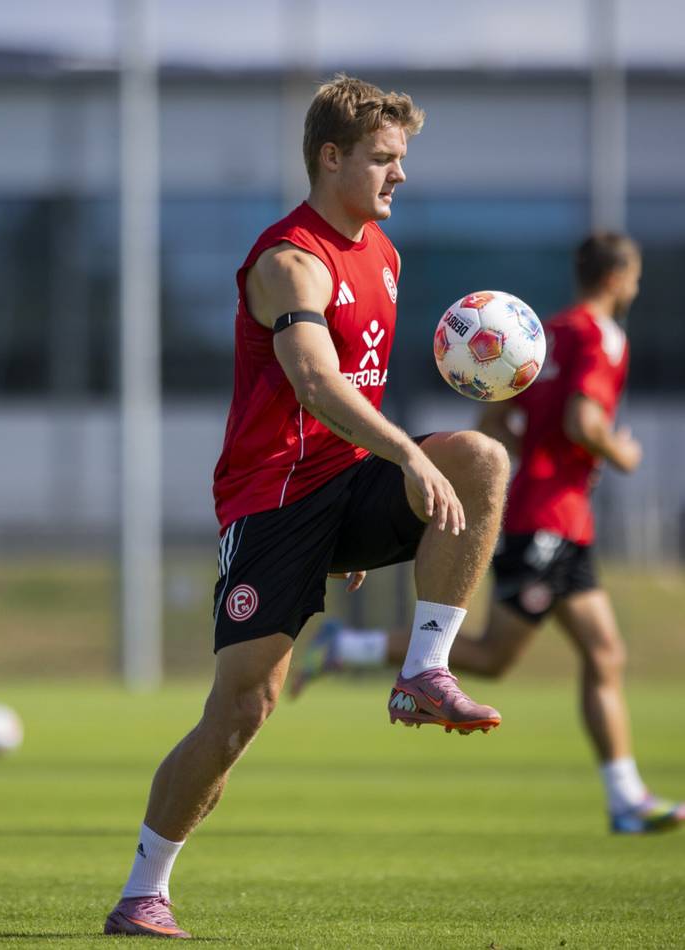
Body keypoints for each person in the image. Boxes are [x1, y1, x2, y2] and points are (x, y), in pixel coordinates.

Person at [104, 75, 510, 939]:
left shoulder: (386, 257)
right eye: (384, 160)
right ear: (332, 158)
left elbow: (350, 398)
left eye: (402, 160)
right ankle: (145, 890)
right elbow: (316, 381)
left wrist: (372, 485)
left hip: (345, 482)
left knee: (478, 457)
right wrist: (401, 452)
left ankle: (422, 673)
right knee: (242, 710)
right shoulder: (289, 259)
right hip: (272, 504)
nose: (400, 176)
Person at [291, 232, 685, 835]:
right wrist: (619, 453)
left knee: (605, 653)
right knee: (493, 657)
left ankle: (626, 798)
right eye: (633, 278)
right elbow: (584, 420)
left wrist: (544, 454)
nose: (635, 288)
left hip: (555, 514)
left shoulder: (539, 332)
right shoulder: (599, 337)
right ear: (616, 278)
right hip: (545, 520)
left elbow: (492, 418)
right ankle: (352, 648)